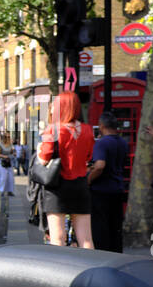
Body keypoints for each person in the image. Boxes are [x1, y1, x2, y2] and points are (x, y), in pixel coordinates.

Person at [38, 90, 94, 248]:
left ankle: (59, 271)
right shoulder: (88, 130)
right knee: (86, 238)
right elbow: (89, 157)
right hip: (81, 185)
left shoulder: (52, 130)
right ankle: (91, 270)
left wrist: (39, 148)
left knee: (58, 238)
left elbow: (43, 160)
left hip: (57, 188)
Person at [88, 112, 127, 254]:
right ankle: (116, 255)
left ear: (102, 126)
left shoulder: (102, 143)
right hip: (118, 189)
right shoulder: (123, 142)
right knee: (115, 227)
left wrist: (88, 180)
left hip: (101, 191)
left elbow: (100, 166)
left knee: (100, 228)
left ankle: (103, 256)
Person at [0, 131, 16, 197]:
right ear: (4, 137)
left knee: (10, 178)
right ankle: (2, 190)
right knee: (3, 177)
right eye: (6, 137)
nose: (8, 138)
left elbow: (12, 153)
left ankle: (10, 191)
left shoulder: (11, 145)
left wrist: (13, 154)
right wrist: (4, 156)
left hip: (9, 162)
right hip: (1, 162)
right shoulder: (0, 145)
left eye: (9, 137)